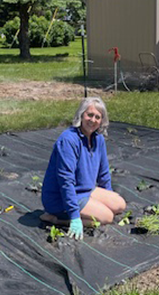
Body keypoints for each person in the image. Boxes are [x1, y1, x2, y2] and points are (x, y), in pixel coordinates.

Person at [40, 97, 126, 240]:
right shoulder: (68, 140)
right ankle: (56, 218)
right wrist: (74, 216)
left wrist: (107, 196)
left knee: (119, 205)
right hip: (61, 197)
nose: (92, 120)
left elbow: (104, 173)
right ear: (81, 115)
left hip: (85, 190)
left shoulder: (98, 139)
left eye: (97, 117)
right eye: (89, 115)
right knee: (107, 217)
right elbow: (65, 181)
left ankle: (89, 210)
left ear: (102, 121)